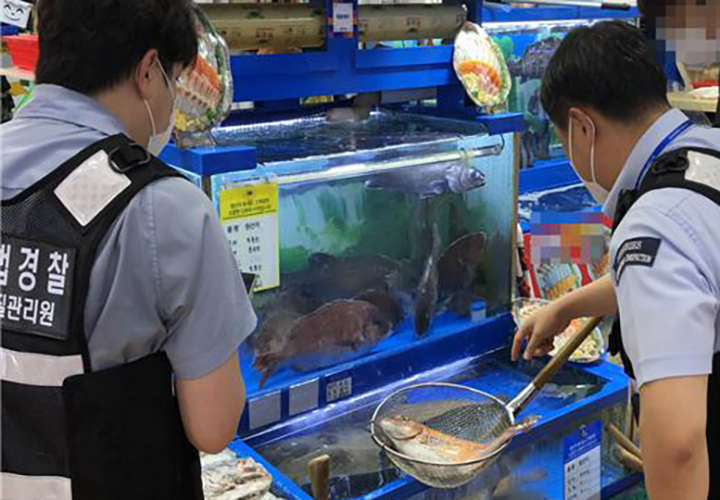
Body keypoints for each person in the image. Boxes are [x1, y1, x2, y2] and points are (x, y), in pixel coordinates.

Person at [0, 1, 257, 499]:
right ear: (147, 72)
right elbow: (213, 427)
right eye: (174, 82)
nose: (170, 110)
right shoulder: (163, 207)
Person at [512, 20, 720, 500]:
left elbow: (679, 447)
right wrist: (564, 308)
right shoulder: (703, 150)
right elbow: (691, 272)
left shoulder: (654, 225)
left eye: (565, 142)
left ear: (583, 127)